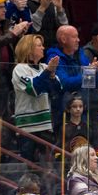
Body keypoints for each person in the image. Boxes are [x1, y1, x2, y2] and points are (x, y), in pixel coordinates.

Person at [12, 34, 62, 163]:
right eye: (39, 45)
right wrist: (48, 73)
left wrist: (50, 75)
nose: (43, 48)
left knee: (46, 168)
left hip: (46, 124)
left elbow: (57, 90)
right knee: (29, 166)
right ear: (28, 49)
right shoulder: (20, 69)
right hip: (28, 127)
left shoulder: (44, 67)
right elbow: (33, 90)